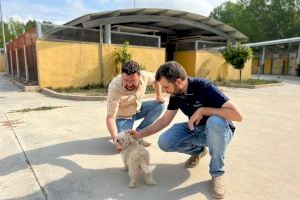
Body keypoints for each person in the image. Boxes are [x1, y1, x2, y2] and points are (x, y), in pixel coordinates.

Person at [130, 61, 243, 199]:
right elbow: (164, 120)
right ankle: (199, 152)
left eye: (166, 87)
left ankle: (217, 174)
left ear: (178, 82)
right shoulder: (175, 95)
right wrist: (141, 134)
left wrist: (204, 110)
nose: (165, 91)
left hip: (219, 133)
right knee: (165, 141)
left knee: (215, 121)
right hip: (196, 129)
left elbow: (237, 116)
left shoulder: (205, 86)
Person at [106, 60, 165, 152]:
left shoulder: (144, 76)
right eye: (126, 80)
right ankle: (125, 134)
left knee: (160, 105)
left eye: (133, 80)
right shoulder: (114, 87)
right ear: (122, 76)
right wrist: (115, 140)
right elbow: (110, 118)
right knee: (124, 144)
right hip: (123, 116)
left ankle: (139, 134)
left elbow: (157, 78)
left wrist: (159, 95)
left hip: (138, 109)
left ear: (139, 76)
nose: (129, 84)